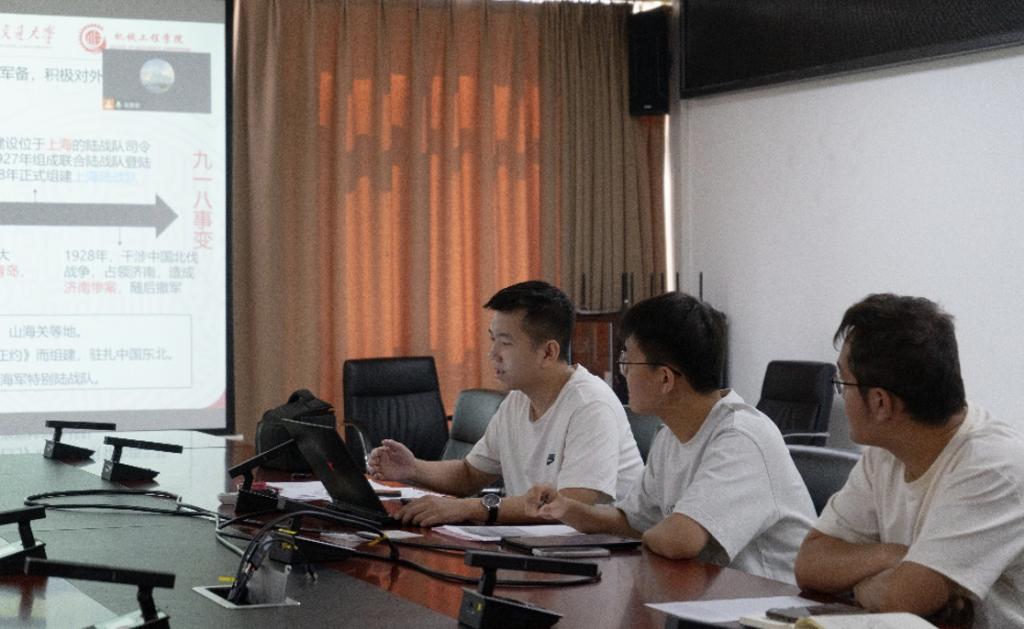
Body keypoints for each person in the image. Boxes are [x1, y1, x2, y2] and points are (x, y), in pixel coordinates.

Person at [526, 292, 815, 583]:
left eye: (628, 362)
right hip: (709, 592)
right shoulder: (669, 436)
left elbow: (680, 541)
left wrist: (652, 532)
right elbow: (632, 520)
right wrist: (568, 509)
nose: (623, 373)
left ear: (665, 378)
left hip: (773, 600)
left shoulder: (741, 437)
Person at [794, 294, 1024, 627]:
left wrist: (862, 583)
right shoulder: (886, 452)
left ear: (880, 403)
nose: (841, 394)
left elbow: (904, 599)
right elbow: (810, 563)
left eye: (843, 383)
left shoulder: (993, 467)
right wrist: (894, 555)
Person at [367, 280, 643, 527]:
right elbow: (469, 475)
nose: (493, 354)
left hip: (608, 557)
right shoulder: (517, 401)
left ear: (548, 352)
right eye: (493, 340)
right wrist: (413, 469)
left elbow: (568, 506)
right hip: (538, 548)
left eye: (506, 343)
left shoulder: (590, 404)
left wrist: (466, 508)